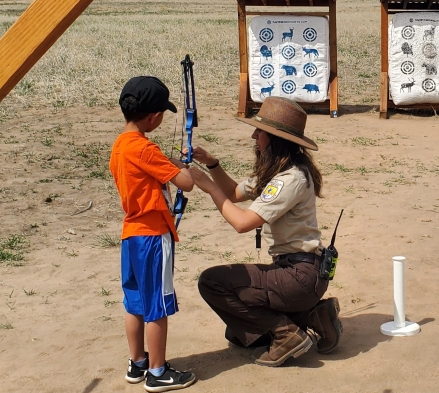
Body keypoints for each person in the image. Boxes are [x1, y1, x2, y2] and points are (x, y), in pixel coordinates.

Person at [189, 96, 342, 367]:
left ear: (275, 138)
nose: (254, 136)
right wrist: (213, 165)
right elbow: (235, 194)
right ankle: (313, 317)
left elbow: (242, 223)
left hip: (298, 276)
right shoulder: (282, 170)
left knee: (212, 282)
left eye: (260, 131)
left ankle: (286, 334)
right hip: (302, 274)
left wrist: (209, 187)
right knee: (238, 332)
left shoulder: (288, 179)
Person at [109, 76, 196, 391]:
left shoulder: (120, 145)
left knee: (134, 301)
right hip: (152, 237)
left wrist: (168, 162)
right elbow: (186, 183)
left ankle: (138, 363)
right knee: (157, 305)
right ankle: (158, 373)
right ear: (153, 117)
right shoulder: (146, 149)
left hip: (131, 235)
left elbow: (149, 173)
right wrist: (180, 165)